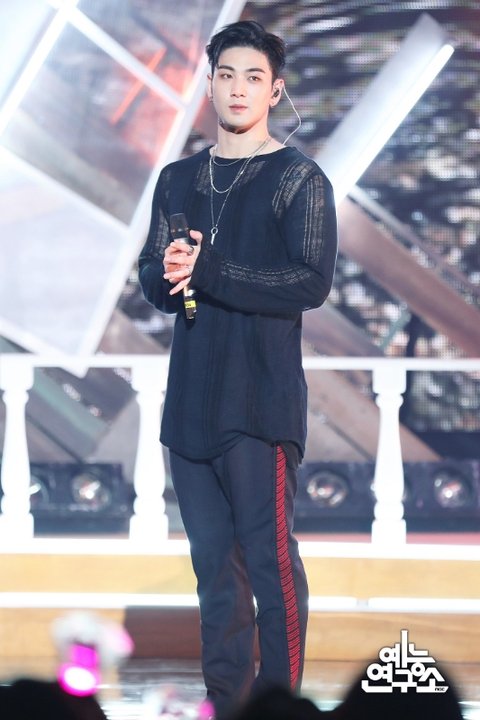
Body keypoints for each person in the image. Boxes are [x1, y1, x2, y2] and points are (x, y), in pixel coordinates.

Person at [138, 19, 337, 720]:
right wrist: (169, 273)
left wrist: (211, 269)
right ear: (210, 85)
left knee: (270, 564)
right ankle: (227, 703)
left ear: (275, 90)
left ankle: (278, 706)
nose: (239, 89)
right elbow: (154, 279)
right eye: (227, 75)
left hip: (259, 405)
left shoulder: (299, 179)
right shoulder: (178, 179)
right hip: (190, 405)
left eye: (254, 78)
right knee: (214, 571)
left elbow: (309, 282)